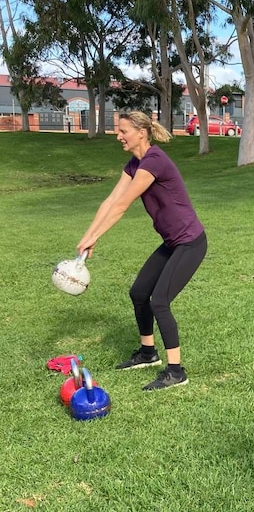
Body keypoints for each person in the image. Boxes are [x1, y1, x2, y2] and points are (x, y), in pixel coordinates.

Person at [77, 111, 207, 391]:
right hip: (172, 242)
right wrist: (89, 236)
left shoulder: (154, 161)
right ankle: (148, 353)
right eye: (118, 130)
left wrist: (96, 236)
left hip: (190, 242)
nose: (118, 135)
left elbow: (123, 205)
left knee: (159, 300)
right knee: (139, 293)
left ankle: (176, 372)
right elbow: (111, 200)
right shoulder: (134, 164)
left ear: (141, 132)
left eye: (123, 130)